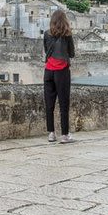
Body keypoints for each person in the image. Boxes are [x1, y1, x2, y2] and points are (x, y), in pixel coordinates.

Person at [43, 9, 75, 143]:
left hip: (48, 71)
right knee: (63, 104)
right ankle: (65, 135)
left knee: (49, 103)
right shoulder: (67, 35)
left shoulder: (46, 34)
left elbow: (46, 50)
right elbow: (72, 53)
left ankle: (51, 133)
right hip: (62, 71)